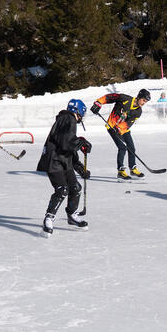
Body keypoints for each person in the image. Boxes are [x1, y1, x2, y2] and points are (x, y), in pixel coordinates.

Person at [36, 99, 92, 236]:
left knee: (75, 188)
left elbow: (66, 144)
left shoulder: (66, 119)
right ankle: (49, 218)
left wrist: (79, 167)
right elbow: (67, 142)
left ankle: (72, 215)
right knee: (62, 189)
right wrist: (81, 142)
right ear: (78, 111)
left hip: (62, 161)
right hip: (53, 161)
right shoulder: (68, 118)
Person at [91, 88, 151, 179]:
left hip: (123, 129)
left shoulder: (138, 111)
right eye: (143, 100)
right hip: (112, 126)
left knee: (131, 147)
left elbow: (129, 123)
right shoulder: (125, 98)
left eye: (145, 102)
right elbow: (110, 97)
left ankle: (133, 168)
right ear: (139, 97)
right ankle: (121, 171)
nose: (143, 103)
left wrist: (120, 128)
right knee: (122, 147)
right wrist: (98, 103)